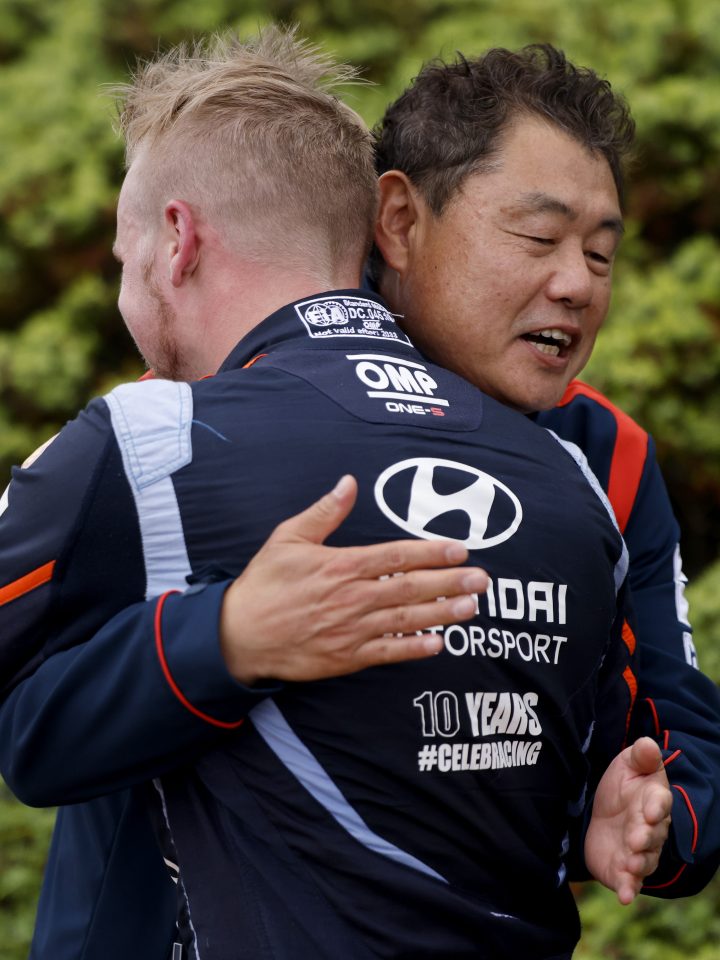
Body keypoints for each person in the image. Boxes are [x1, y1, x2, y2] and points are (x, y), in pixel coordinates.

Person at [0, 30, 668, 960]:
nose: (574, 283)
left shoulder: (150, 440)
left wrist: (222, 639)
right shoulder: (571, 478)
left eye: (123, 256)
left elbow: (28, 738)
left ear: (177, 241)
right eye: (539, 238)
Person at [369, 43, 720, 900]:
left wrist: (650, 814)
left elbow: (684, 743)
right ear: (402, 222)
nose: (576, 285)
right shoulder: (229, 405)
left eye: (600, 255)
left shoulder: (608, 454)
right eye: (538, 237)